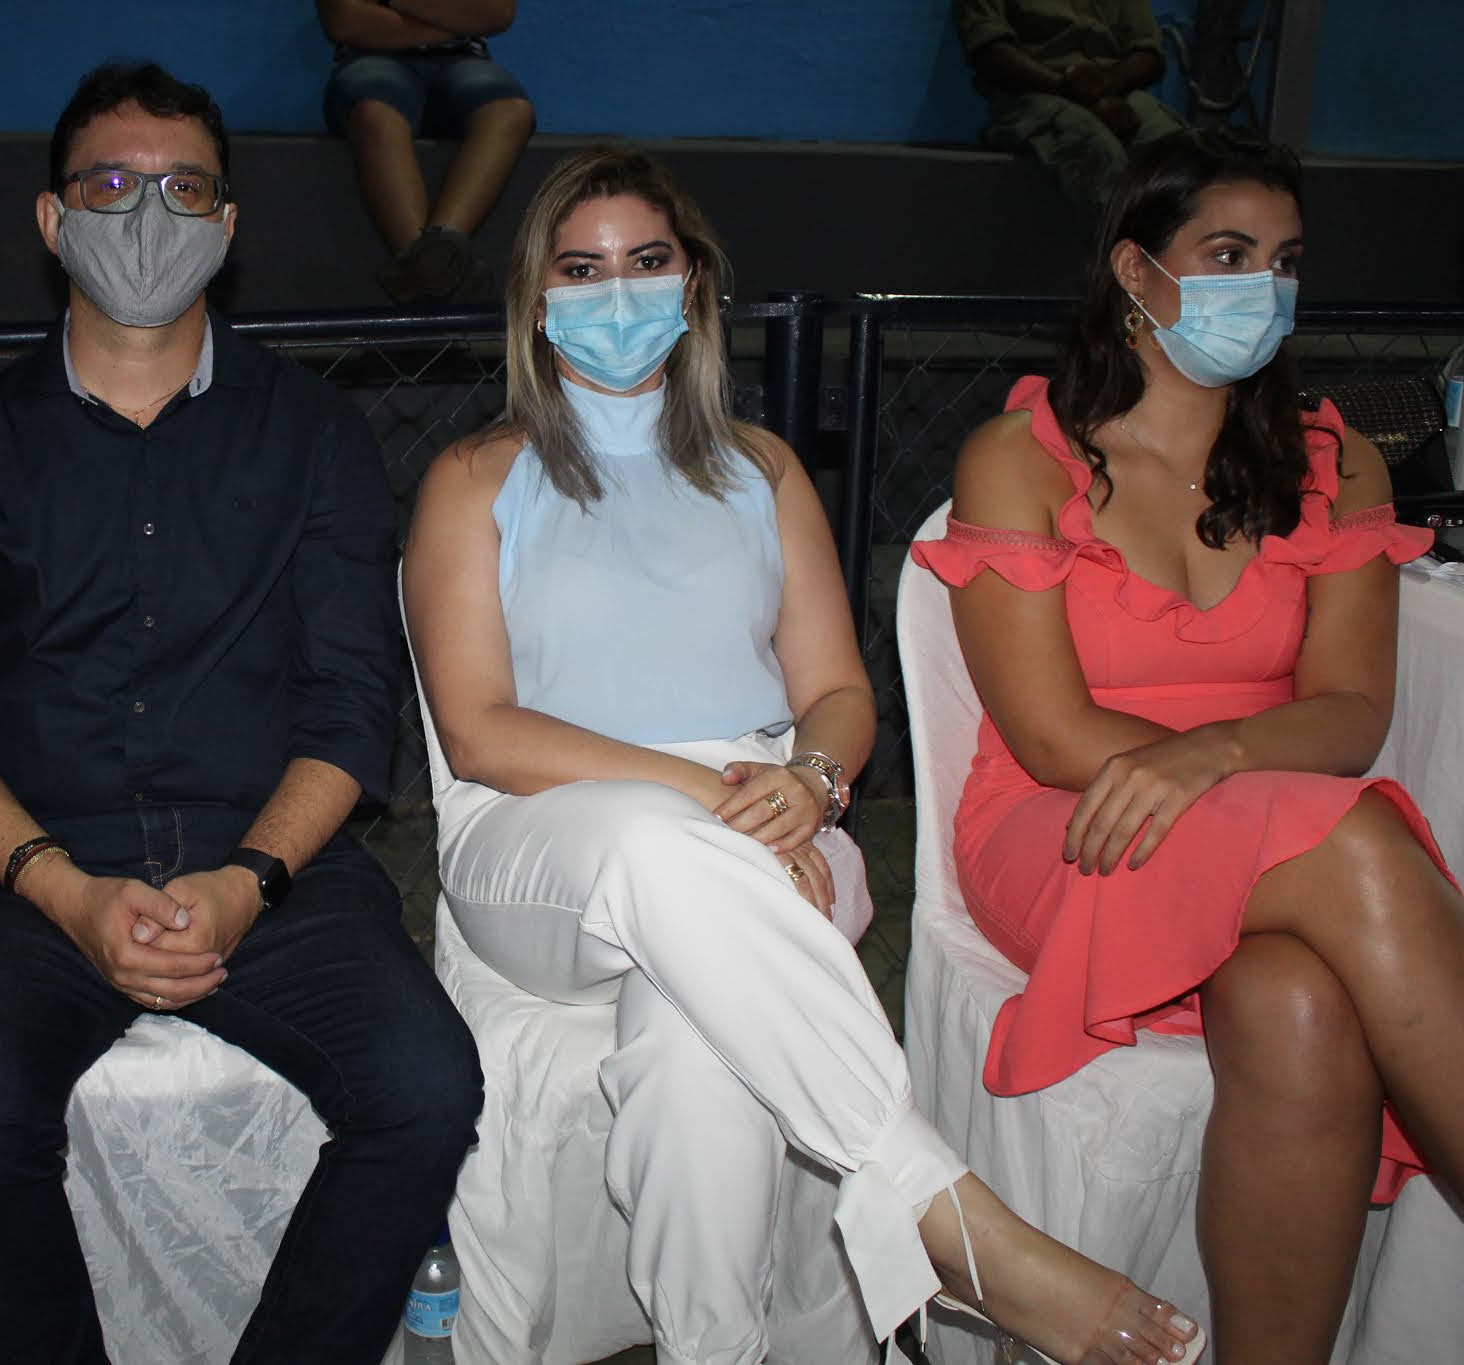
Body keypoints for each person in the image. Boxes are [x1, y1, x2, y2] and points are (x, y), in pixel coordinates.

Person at [403, 145, 1203, 1365]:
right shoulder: (473, 479)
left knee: (694, 1054)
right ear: (535, 296)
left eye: (646, 260)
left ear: (693, 282)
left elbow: (835, 693)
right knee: (651, 847)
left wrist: (811, 783)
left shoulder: (764, 470)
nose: (617, 292)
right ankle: (953, 1219)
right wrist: (709, 799)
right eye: (581, 269)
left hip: (771, 818)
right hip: (544, 835)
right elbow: (478, 731)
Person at [0, 61, 483, 1365]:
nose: (148, 214)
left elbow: (348, 701)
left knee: (426, 1087)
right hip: (33, 864)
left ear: (227, 223)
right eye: (110, 184)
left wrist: (248, 880)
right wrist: (64, 892)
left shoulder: (314, 432)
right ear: (53, 220)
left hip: (271, 857)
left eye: (184, 188)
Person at [912, 126, 1461, 1362]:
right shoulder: (1019, 457)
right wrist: (1202, 764)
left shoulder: (1332, 463)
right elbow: (1049, 733)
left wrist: (1209, 756)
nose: (1260, 286)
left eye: (1283, 260)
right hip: (1072, 822)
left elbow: (1347, 714)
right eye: (1224, 254)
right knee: (1358, 841)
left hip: (1258, 819)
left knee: (1293, 1001)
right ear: (1134, 270)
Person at [318, 0, 535, 303]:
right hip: (369, 59)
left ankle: (431, 261)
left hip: (463, 61)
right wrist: (453, 22)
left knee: (511, 112)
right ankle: (438, 266)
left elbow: (496, 13)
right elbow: (345, 20)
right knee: (374, 113)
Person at [957, 0, 1187, 235]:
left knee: (1176, 150)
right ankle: (1124, 252)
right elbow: (990, 50)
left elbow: (1149, 52)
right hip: (1032, 95)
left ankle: (1183, 251)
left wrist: (1108, 82)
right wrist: (1069, 89)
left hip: (1115, 90)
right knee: (1093, 148)